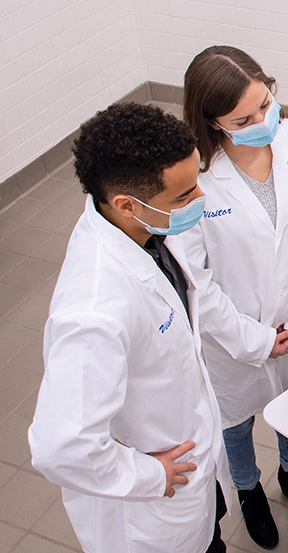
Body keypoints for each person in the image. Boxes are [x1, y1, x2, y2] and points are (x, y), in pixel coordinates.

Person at [28, 102, 230, 552]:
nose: (201, 200)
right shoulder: (94, 310)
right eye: (183, 196)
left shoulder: (144, 231)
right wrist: (148, 474)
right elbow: (60, 447)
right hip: (150, 508)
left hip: (191, 462)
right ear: (125, 204)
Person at [181, 45, 288, 549]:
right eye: (243, 118)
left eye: (265, 104)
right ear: (211, 123)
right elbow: (194, 279)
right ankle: (248, 489)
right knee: (236, 416)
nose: (263, 120)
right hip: (233, 334)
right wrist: (251, 339)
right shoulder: (194, 177)